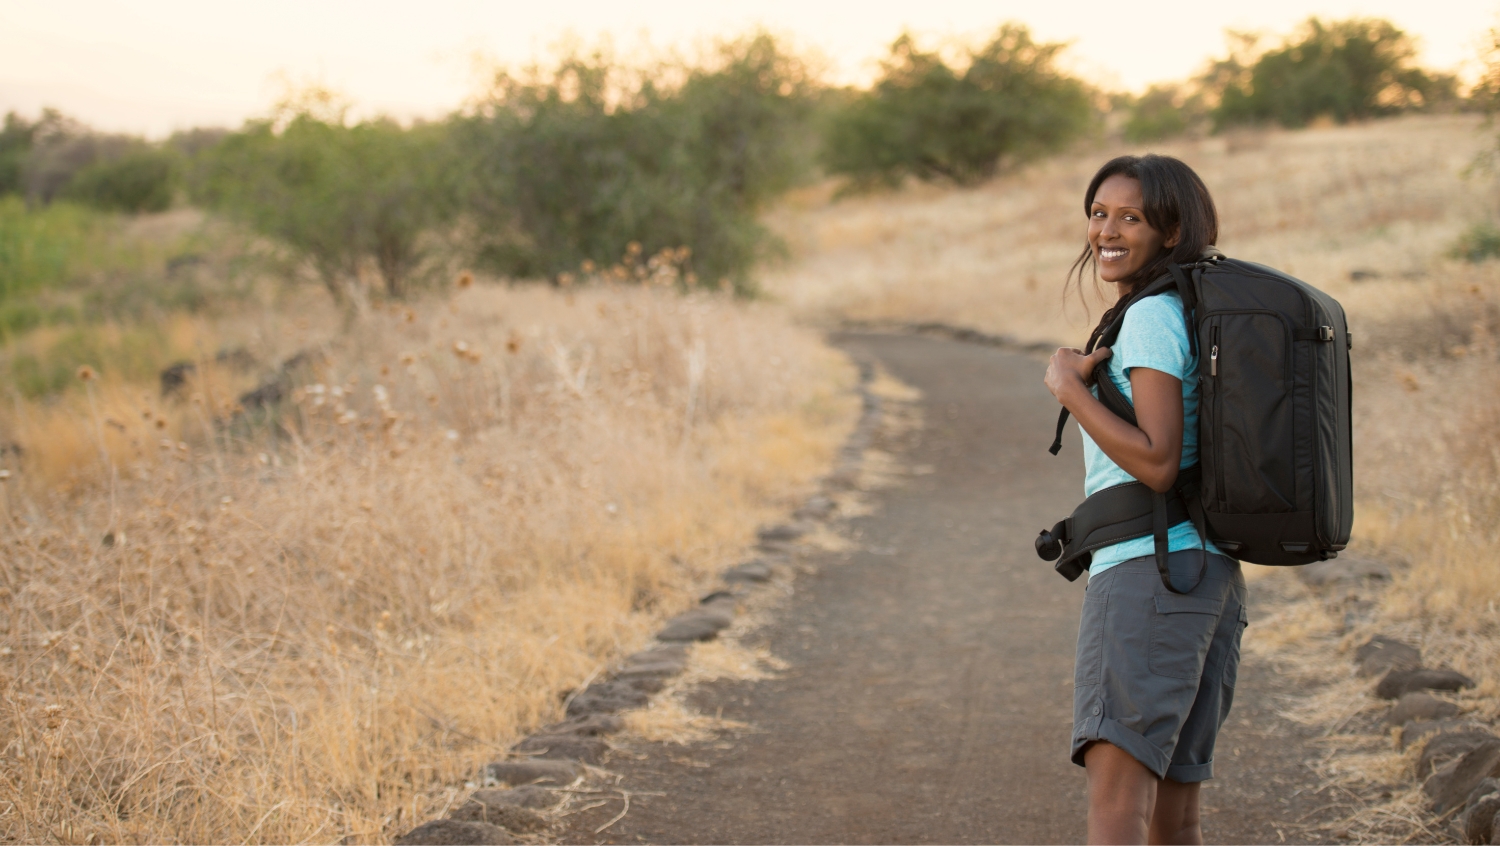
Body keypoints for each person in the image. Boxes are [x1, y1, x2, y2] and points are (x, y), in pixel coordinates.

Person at [1042, 155, 1248, 845]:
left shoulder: (1153, 317)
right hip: (1203, 575)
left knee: (1116, 813)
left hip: (1150, 575)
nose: (1107, 230)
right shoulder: (1184, 308)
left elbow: (1159, 461)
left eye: (1131, 217)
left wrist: (1070, 390)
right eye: (1099, 213)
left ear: (1173, 229)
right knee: (1173, 818)